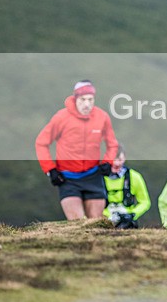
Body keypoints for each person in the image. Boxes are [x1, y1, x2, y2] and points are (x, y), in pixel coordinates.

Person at [35, 80, 119, 220]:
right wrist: (50, 169)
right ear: (75, 99)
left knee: (96, 223)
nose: (87, 104)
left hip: (93, 176)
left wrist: (107, 162)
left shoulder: (102, 117)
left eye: (90, 100)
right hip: (68, 178)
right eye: (83, 99)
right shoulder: (61, 118)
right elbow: (41, 143)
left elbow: (112, 144)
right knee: (77, 223)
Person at [103, 144, 151, 229]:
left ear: (125, 158)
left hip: (127, 222)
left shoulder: (134, 176)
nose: (116, 163)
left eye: (120, 160)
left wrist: (132, 214)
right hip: (103, 220)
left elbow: (145, 202)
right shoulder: (97, 178)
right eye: (113, 160)